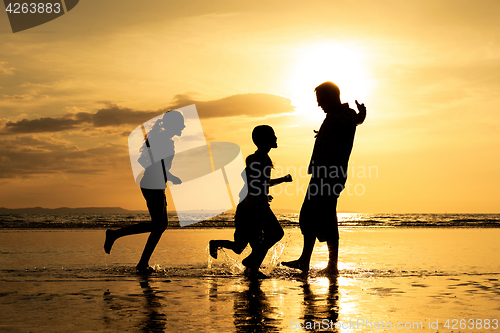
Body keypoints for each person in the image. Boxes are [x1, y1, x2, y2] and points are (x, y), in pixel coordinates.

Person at [282, 82, 366, 275]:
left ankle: (327, 264)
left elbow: (356, 119)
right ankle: (311, 261)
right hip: (321, 174)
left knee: (319, 217)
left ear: (331, 97)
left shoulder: (346, 114)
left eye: (320, 100)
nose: (319, 105)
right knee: (312, 217)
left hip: (331, 176)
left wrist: (363, 114)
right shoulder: (331, 117)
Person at [104, 111, 185, 273]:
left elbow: (145, 161)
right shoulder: (164, 141)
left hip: (155, 184)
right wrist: (170, 175)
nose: (183, 127)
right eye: (180, 124)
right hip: (152, 184)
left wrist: (165, 175)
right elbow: (157, 164)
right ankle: (115, 235)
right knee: (157, 224)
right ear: (173, 125)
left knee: (161, 226)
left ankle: (142, 263)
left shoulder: (163, 139)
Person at [209, 125, 292, 278]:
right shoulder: (262, 158)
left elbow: (256, 183)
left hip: (248, 206)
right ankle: (251, 262)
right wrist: (282, 180)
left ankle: (251, 269)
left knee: (244, 245)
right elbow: (259, 183)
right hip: (256, 206)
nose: (276, 138)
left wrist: (265, 193)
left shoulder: (257, 157)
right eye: (273, 135)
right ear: (265, 140)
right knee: (277, 233)